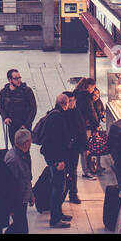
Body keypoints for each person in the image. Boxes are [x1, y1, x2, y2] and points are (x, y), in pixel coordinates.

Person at [36, 93, 75, 228]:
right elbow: (56, 142)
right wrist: (59, 161)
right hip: (56, 159)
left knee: (59, 186)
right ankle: (55, 219)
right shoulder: (57, 118)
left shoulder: (54, 114)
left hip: (53, 157)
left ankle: (58, 212)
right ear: (66, 103)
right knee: (58, 187)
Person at [4, 127, 34, 234]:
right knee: (21, 228)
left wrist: (30, 194)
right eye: (30, 141)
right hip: (17, 201)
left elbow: (26, 178)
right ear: (26, 143)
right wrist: (11, 206)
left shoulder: (23, 155)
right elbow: (10, 186)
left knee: (20, 226)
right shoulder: (13, 159)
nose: (31, 143)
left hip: (22, 198)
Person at [0, 68, 37, 145]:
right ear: (10, 80)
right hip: (12, 126)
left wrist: (26, 125)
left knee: (24, 149)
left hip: (24, 126)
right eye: (16, 78)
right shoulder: (4, 92)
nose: (19, 80)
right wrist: (5, 117)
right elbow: (1, 107)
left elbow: (33, 109)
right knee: (14, 147)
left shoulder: (27, 91)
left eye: (19, 77)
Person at [71, 79, 100, 178]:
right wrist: (96, 125)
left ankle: (86, 169)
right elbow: (91, 112)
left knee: (83, 147)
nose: (93, 90)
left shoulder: (77, 94)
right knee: (85, 148)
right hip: (85, 125)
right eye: (93, 87)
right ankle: (86, 171)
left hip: (77, 124)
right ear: (89, 86)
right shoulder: (86, 97)